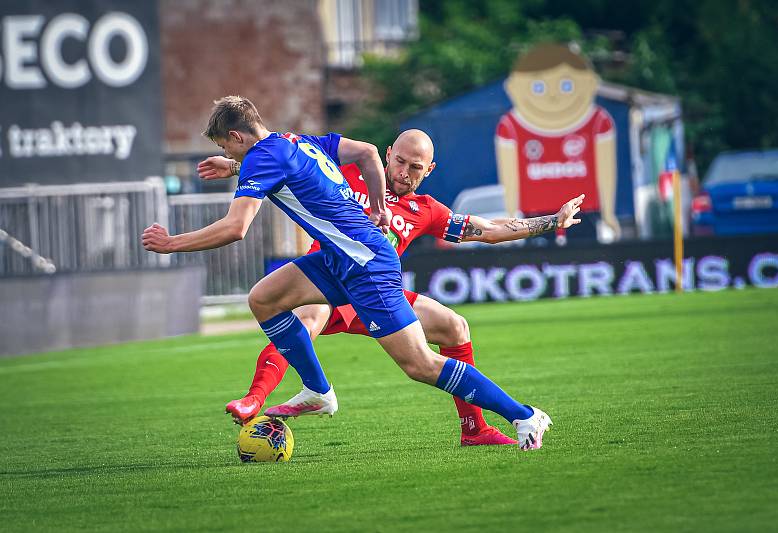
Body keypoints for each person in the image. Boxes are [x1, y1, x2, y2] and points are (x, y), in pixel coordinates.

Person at [143, 96, 577, 451]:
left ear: (236, 137)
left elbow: (236, 228)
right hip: (335, 260)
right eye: (400, 161)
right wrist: (236, 167)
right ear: (392, 154)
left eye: (225, 148)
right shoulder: (297, 142)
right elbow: (343, 158)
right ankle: (315, 391)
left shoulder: (423, 208)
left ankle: (524, 416)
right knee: (264, 298)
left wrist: (172, 243)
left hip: (368, 270)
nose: (404, 171)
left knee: (421, 363)